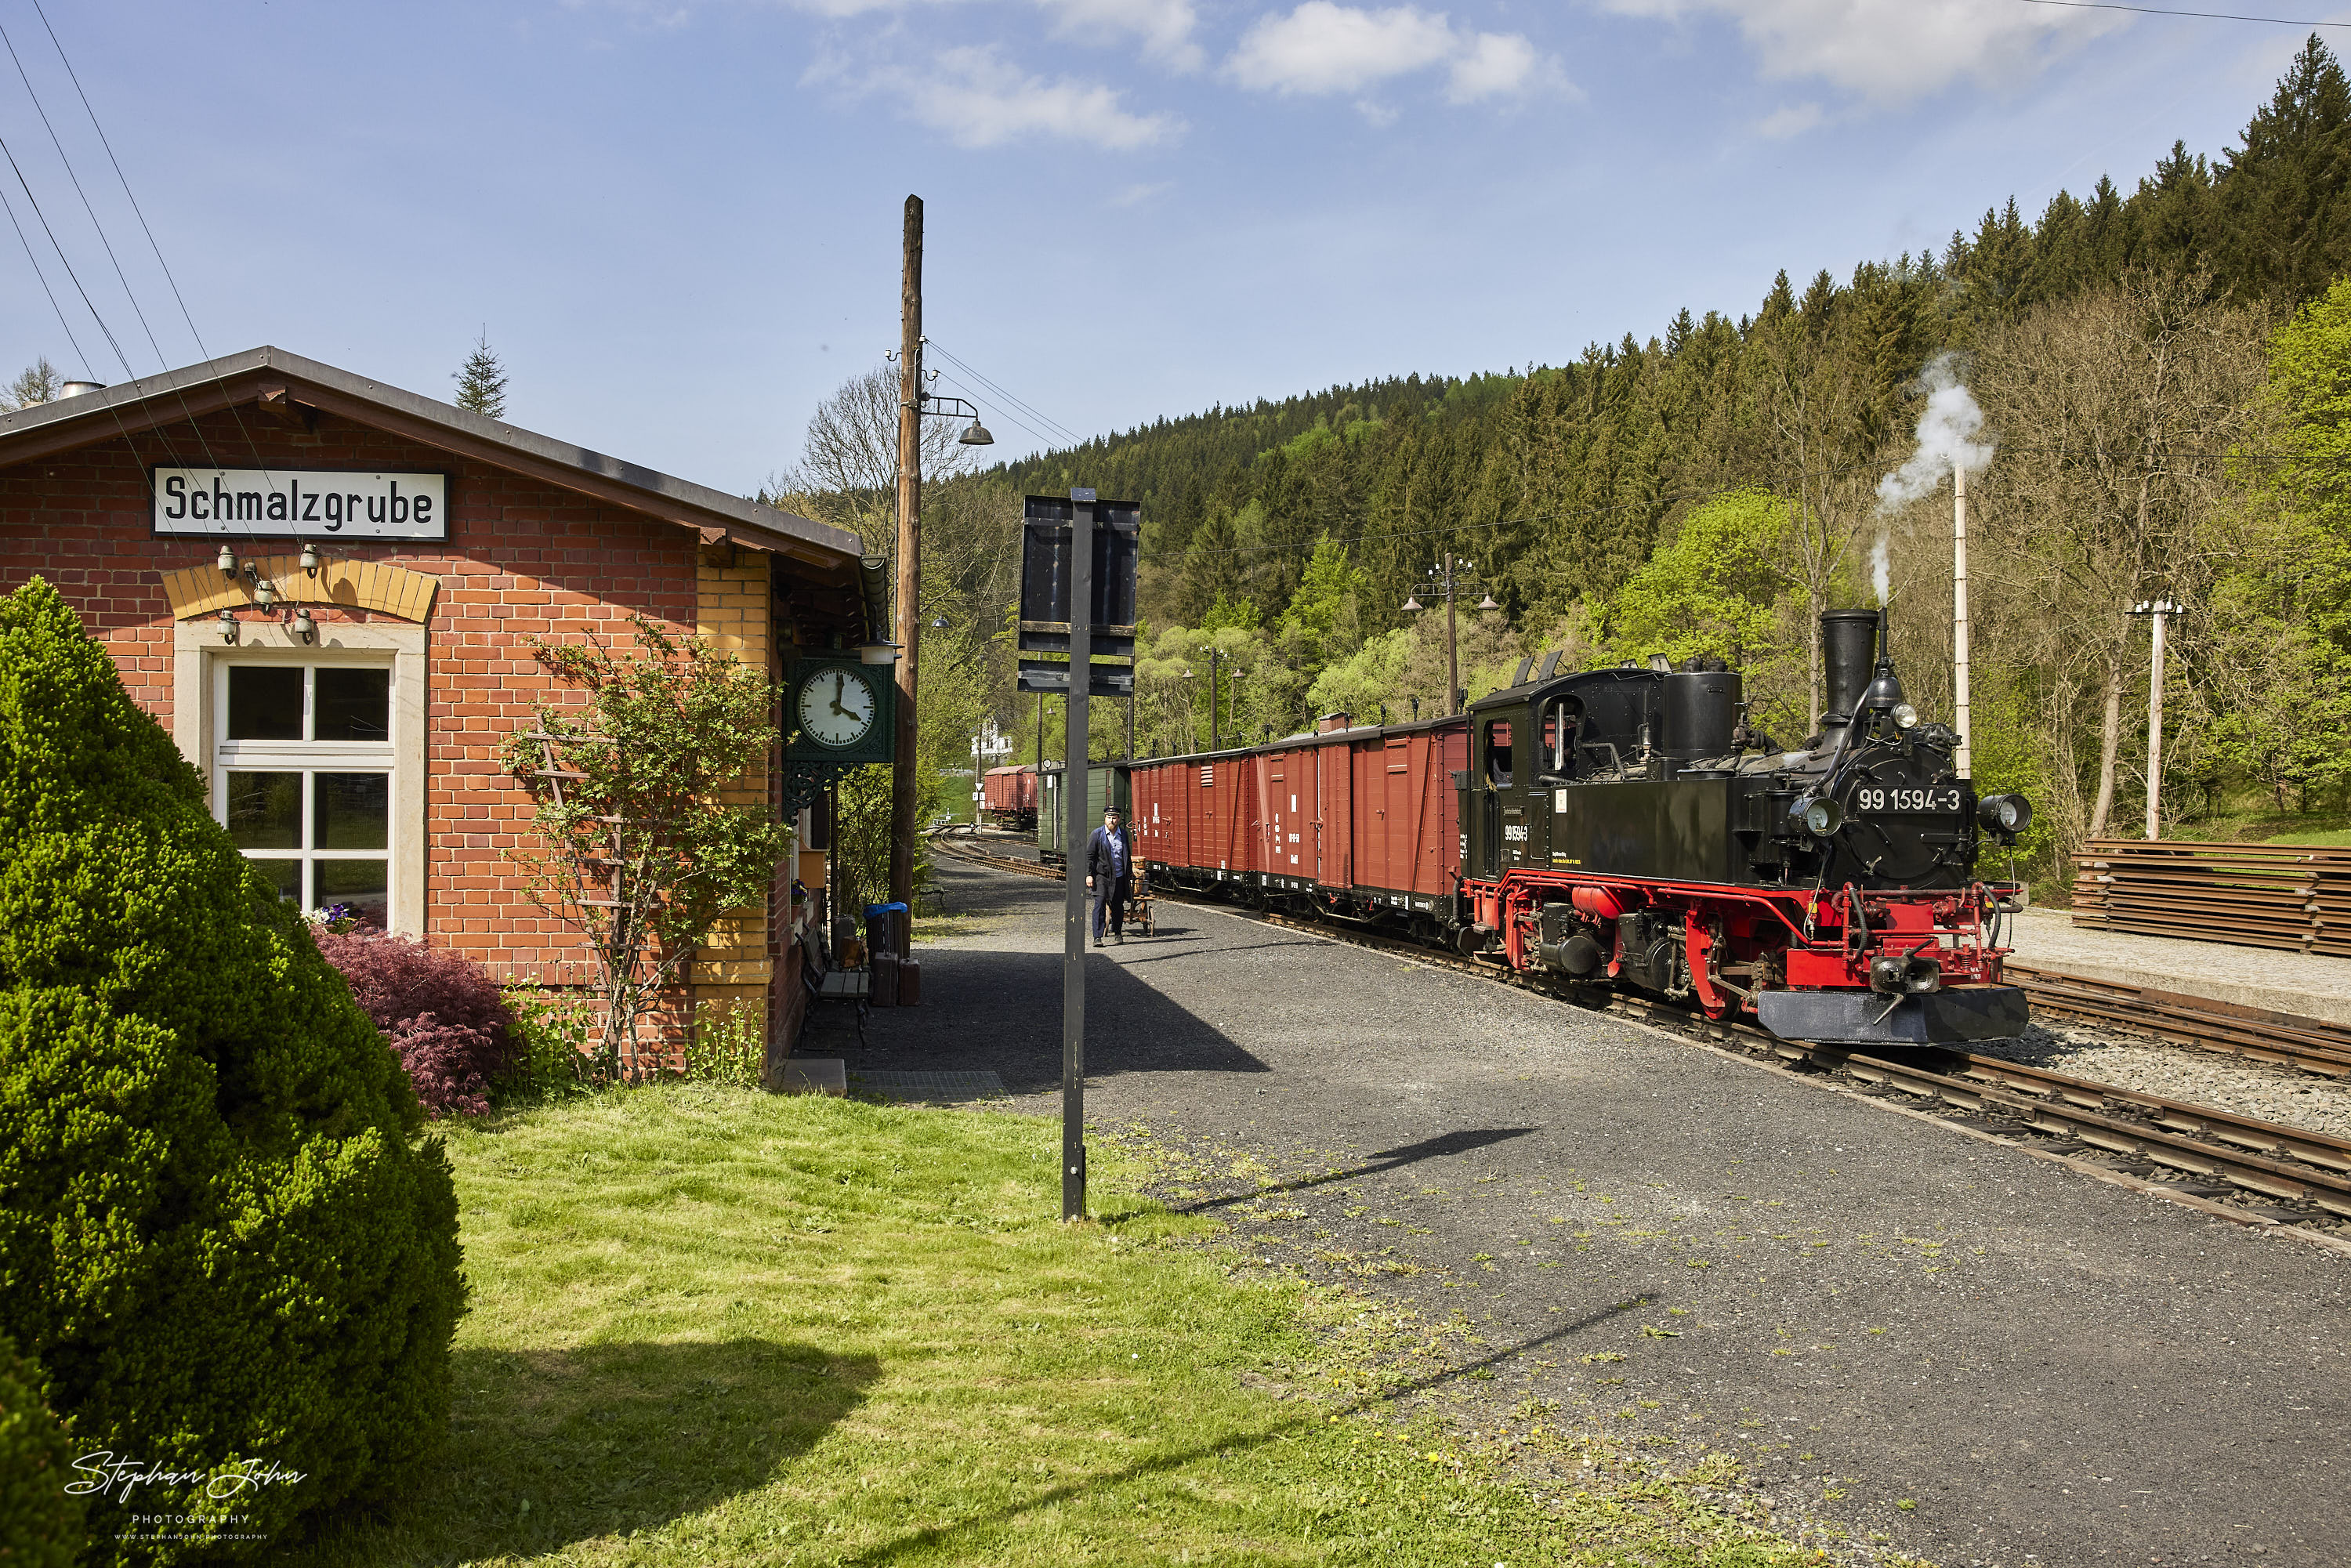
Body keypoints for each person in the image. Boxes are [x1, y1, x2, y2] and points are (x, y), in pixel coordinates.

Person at [1086, 805, 1133, 946]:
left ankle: (1118, 933)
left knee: (1118, 905)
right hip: (1101, 876)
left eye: (1114, 817)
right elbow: (1089, 856)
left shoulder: (1123, 835)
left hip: (1119, 876)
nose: (1111, 820)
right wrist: (1089, 875)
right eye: (1109, 817)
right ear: (1105, 818)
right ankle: (1097, 937)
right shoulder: (1097, 834)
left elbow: (1127, 855)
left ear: (1118, 819)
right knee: (1099, 904)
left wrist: (1129, 874)